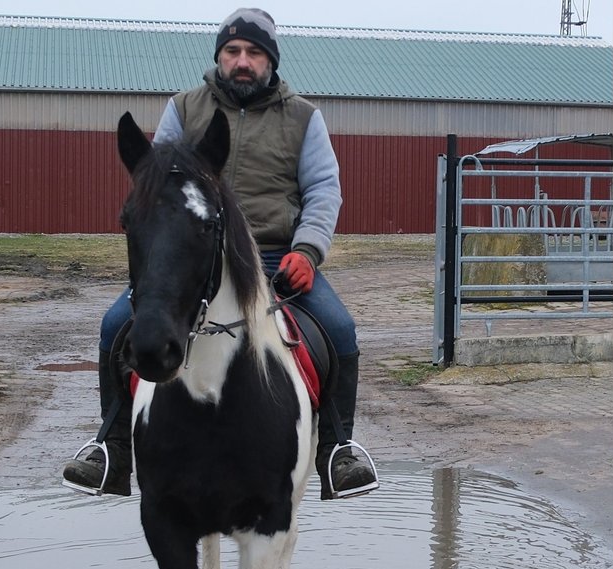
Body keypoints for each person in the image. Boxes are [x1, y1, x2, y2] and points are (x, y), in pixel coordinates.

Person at [63, 7, 377, 501]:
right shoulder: (184, 108)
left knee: (338, 328)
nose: (242, 61)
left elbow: (323, 190)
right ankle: (113, 448)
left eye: (253, 52)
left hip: (274, 257)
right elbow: (158, 183)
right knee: (115, 324)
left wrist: (308, 251)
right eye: (232, 51)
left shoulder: (303, 118)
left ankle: (337, 450)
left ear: (271, 60)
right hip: (193, 256)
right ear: (219, 57)